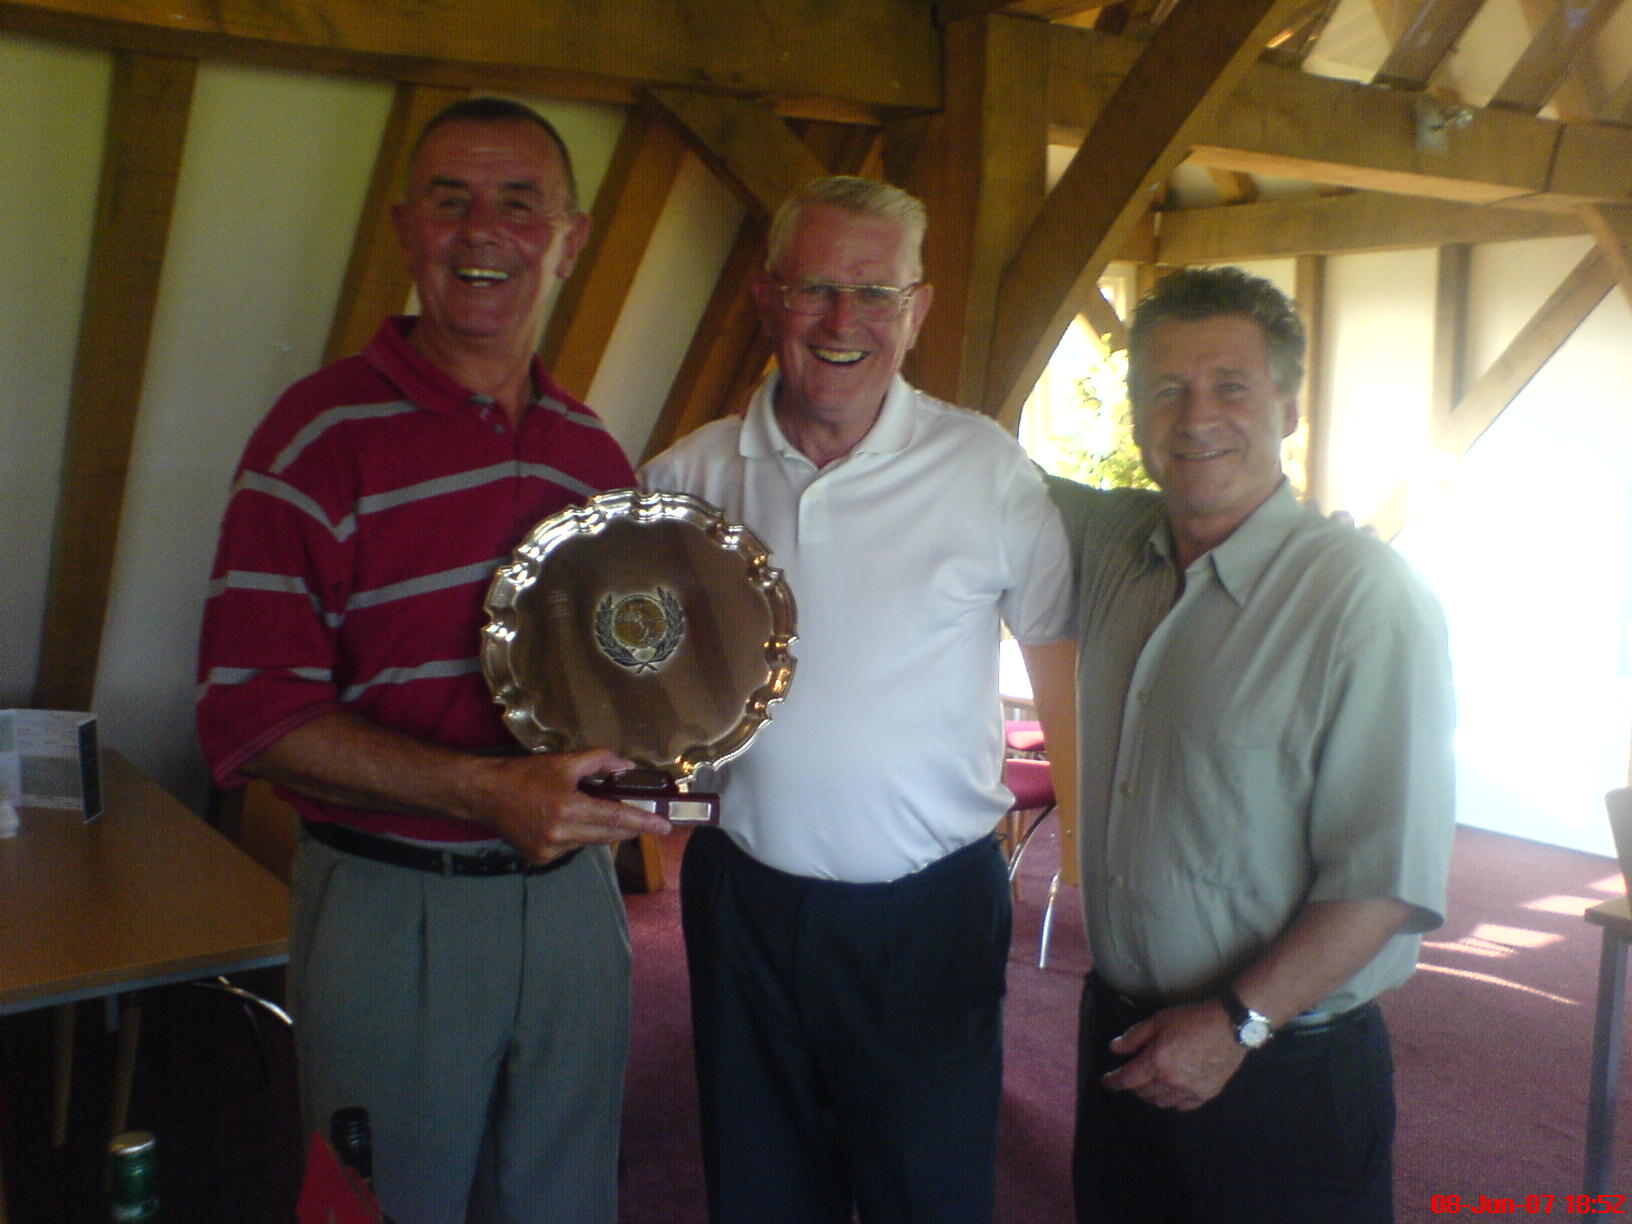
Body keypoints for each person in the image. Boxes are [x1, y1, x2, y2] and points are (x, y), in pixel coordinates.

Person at [196, 96, 670, 1224]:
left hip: (573, 916)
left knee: (563, 1205)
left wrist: (667, 745)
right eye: (452, 201)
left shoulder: (594, 457)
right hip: (390, 909)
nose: (482, 231)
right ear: (408, 229)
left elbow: (619, 686)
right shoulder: (312, 440)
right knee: (387, 1208)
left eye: (519, 203)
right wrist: (484, 790)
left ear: (571, 238)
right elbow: (248, 718)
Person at [639, 176, 1072, 1223]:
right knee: (759, 1189)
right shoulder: (683, 477)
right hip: (744, 902)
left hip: (931, 910)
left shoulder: (987, 468)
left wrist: (1094, 853)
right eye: (816, 289)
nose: (844, 323)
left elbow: (1059, 659)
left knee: (929, 1192)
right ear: (764, 297)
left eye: (876, 294)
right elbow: (635, 688)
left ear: (917, 310)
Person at [1037, 266, 1455, 1223]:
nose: (1196, 417)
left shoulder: (1365, 600)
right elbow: (960, 468)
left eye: (1231, 385)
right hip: (1122, 1037)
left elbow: (1387, 878)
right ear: (1136, 411)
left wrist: (1237, 1022)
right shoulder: (1109, 546)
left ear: (1289, 407)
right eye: (1165, 389)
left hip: (1279, 1061)